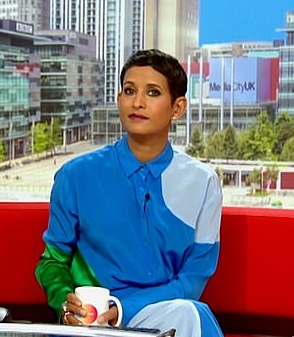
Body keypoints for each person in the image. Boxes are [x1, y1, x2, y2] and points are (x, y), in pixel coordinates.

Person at [35, 49, 224, 336]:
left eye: (153, 92)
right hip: (93, 323)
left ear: (178, 107)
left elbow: (193, 279)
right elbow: (52, 262)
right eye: (129, 90)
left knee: (188, 313)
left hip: (167, 314)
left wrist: (124, 308)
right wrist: (66, 303)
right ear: (118, 99)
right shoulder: (74, 176)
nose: (137, 102)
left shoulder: (204, 183)